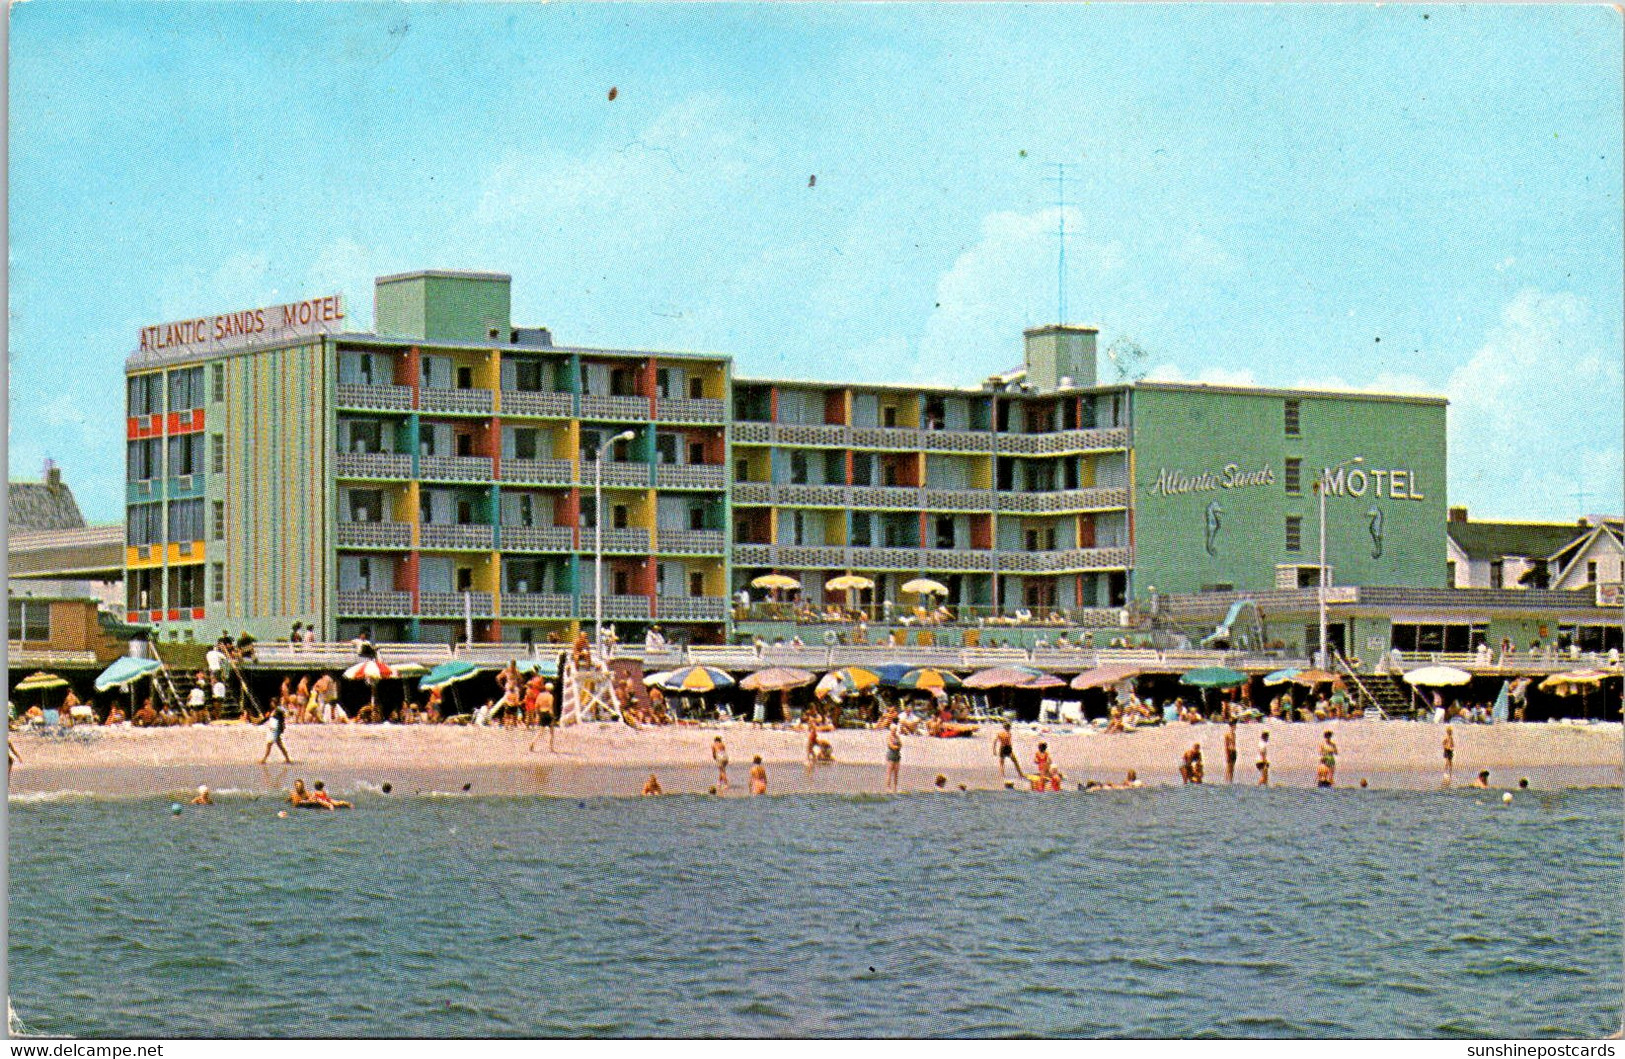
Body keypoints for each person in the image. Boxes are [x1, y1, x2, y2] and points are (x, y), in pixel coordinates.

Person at [884, 719, 902, 793]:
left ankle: (895, 787)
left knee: (896, 772)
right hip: (891, 755)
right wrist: (896, 746)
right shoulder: (889, 736)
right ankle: (888, 787)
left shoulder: (897, 736)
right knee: (889, 772)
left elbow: (901, 744)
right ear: (891, 729)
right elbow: (891, 745)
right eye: (893, 730)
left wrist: (897, 746)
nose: (894, 731)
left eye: (895, 730)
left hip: (897, 755)